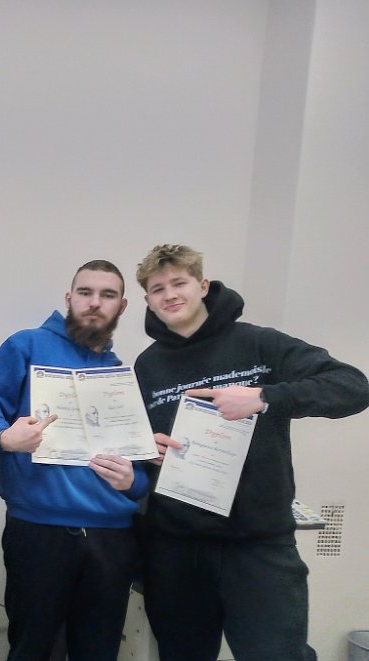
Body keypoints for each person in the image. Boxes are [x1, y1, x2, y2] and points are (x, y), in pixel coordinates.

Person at [133, 244, 369, 661]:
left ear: (203, 285)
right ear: (148, 300)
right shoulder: (146, 365)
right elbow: (138, 442)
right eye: (157, 289)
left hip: (258, 545)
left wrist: (264, 398)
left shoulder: (259, 344)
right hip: (176, 547)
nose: (169, 295)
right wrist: (148, 451)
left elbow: (353, 387)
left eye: (179, 283)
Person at [0, 259, 149, 661]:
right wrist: (5, 436)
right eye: (85, 292)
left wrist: (133, 482)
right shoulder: (25, 346)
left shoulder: (119, 375)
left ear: (122, 306)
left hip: (112, 537)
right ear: (69, 298)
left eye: (107, 295)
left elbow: (142, 469)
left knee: (98, 652)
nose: (94, 302)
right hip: (39, 531)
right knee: (33, 650)